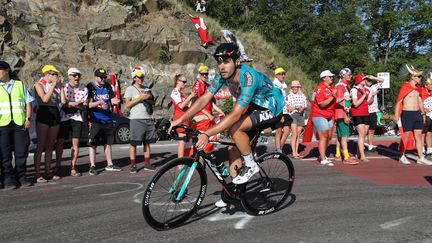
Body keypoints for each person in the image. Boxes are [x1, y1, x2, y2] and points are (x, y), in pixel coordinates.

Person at [169, 42, 284, 188]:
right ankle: (233, 192)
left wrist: (207, 134)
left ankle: (251, 165)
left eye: (226, 62)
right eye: (219, 62)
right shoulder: (222, 76)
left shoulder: (248, 77)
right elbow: (203, 99)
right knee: (233, 149)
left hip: (272, 106)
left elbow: (236, 115)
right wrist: (178, 120)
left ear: (236, 62)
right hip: (255, 105)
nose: (222, 66)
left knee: (235, 127)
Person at [0, 61, 34, 189]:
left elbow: (28, 102)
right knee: (5, 153)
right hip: (3, 125)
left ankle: (21, 176)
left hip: (19, 124)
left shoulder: (19, 85)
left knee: (21, 152)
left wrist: (28, 118)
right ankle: (7, 178)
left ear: (7, 70)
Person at [394, 65, 432, 165]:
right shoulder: (405, 87)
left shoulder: (418, 88)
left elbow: (420, 102)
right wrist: (396, 115)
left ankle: (421, 157)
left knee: (418, 136)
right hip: (407, 114)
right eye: (418, 76)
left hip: (417, 114)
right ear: (412, 77)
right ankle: (402, 155)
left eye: (420, 76)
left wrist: (423, 114)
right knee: (405, 136)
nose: (420, 78)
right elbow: (399, 101)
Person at [87, 68, 123, 175]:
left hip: (107, 118)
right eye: (101, 77)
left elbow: (111, 99)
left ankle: (110, 164)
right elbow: (88, 104)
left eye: (104, 77)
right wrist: (99, 102)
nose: (103, 79)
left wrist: (114, 101)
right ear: (96, 77)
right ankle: (92, 166)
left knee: (108, 142)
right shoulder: (90, 87)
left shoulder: (107, 86)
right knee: (93, 143)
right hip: (96, 119)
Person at [33, 65, 65, 183]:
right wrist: (52, 85)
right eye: (53, 74)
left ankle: (47, 171)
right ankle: (37, 173)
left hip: (54, 113)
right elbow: (44, 99)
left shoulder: (55, 87)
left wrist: (60, 87)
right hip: (44, 113)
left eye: (56, 74)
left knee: (50, 145)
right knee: (41, 145)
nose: (55, 76)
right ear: (46, 74)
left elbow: (63, 101)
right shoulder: (39, 84)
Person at [55, 68, 88, 177]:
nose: (77, 77)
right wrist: (73, 104)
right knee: (60, 142)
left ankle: (73, 167)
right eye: (74, 75)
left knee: (76, 143)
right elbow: (62, 102)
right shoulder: (63, 86)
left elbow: (83, 104)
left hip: (77, 116)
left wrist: (76, 104)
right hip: (64, 116)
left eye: (78, 75)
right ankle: (58, 167)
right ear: (69, 76)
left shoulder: (84, 88)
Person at [124, 66, 157, 173]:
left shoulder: (147, 88)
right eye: (138, 77)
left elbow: (153, 103)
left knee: (147, 142)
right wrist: (140, 98)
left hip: (147, 118)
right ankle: (133, 164)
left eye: (142, 76)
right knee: (134, 142)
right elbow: (128, 104)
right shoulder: (130, 89)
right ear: (134, 78)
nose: (141, 78)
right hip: (136, 118)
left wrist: (147, 99)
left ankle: (147, 163)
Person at [303, 70, 336, 166]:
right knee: (323, 136)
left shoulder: (331, 88)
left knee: (328, 137)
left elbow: (335, 101)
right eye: (330, 77)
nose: (332, 78)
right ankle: (323, 158)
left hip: (329, 115)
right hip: (319, 115)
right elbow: (322, 104)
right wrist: (332, 96)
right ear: (324, 78)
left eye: (332, 77)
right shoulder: (319, 89)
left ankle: (323, 155)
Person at [191, 65, 224, 154]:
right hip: (201, 116)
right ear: (199, 74)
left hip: (207, 116)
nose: (205, 76)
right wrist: (208, 114)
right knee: (203, 142)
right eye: (203, 74)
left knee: (210, 139)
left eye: (206, 74)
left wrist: (220, 111)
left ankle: (205, 161)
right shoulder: (198, 85)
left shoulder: (206, 85)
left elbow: (210, 103)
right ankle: (199, 163)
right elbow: (196, 103)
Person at [334, 68, 358, 165]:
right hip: (341, 114)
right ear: (343, 76)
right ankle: (346, 157)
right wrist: (345, 115)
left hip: (342, 113)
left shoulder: (343, 85)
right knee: (344, 136)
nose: (351, 76)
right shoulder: (341, 86)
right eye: (349, 74)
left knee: (340, 135)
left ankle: (338, 154)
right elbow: (337, 100)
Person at [170, 74, 196, 157]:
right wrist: (191, 96)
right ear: (178, 81)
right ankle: (180, 162)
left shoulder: (181, 93)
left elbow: (186, 106)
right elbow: (181, 106)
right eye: (183, 82)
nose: (185, 84)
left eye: (186, 82)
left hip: (184, 118)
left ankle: (185, 159)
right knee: (182, 140)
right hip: (179, 117)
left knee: (187, 140)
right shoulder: (175, 92)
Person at [350, 74, 373, 162]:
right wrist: (363, 95)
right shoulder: (354, 89)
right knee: (361, 134)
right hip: (357, 113)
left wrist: (371, 98)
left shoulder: (366, 89)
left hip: (365, 113)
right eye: (364, 79)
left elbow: (368, 102)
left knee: (364, 133)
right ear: (359, 80)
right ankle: (362, 156)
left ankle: (358, 153)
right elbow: (355, 104)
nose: (365, 80)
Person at [273, 67, 292, 153]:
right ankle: (278, 149)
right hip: (278, 111)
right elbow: (276, 100)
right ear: (276, 75)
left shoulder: (283, 85)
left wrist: (288, 105)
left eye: (284, 73)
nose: (283, 75)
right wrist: (280, 114)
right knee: (278, 131)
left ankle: (280, 146)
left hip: (285, 110)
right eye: (281, 74)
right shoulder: (275, 85)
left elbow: (284, 99)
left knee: (287, 130)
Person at [286, 80, 307, 159]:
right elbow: (288, 108)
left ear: (299, 87)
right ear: (291, 87)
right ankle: (293, 152)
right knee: (294, 134)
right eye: (294, 87)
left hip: (300, 115)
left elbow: (305, 105)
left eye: (296, 87)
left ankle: (296, 151)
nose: (295, 88)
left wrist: (302, 108)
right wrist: (296, 107)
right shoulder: (289, 96)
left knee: (298, 135)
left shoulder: (302, 96)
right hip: (293, 115)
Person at [365, 74, 384, 152]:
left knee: (372, 130)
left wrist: (373, 77)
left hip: (373, 111)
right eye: (368, 80)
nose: (369, 82)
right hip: (365, 111)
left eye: (370, 81)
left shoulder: (373, 87)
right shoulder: (363, 88)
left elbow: (382, 80)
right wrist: (373, 94)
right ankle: (360, 147)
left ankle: (370, 146)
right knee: (364, 131)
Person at [421, 73, 432, 156]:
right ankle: (421, 148)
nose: (431, 86)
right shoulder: (421, 91)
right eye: (430, 84)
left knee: (430, 132)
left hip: (431, 115)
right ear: (425, 85)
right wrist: (423, 109)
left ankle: (429, 149)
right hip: (424, 115)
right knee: (423, 133)